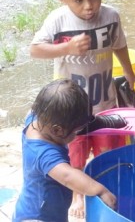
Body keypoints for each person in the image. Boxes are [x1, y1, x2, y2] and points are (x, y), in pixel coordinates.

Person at [30, 0, 135, 218]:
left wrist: (130, 73)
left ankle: (106, 189)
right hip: (71, 111)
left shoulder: (111, 16)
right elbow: (34, 49)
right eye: (79, 0)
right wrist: (66, 48)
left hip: (104, 101)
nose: (89, 6)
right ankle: (78, 194)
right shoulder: (57, 21)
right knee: (75, 153)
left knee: (109, 149)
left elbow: (120, 44)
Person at [12, 79, 117, 222]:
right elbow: (68, 176)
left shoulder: (37, 118)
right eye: (76, 131)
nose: (77, 134)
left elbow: (33, 109)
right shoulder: (43, 153)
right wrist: (100, 190)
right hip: (38, 217)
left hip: (48, 210)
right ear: (57, 130)